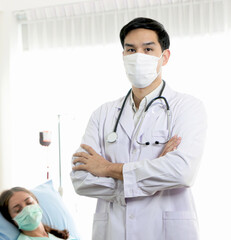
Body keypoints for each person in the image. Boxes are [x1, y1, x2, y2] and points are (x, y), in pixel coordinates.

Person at [70, 17, 207, 240]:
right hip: (114, 231)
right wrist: (155, 172)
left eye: (148, 49)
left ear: (165, 57)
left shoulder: (187, 107)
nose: (138, 56)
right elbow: (81, 179)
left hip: (165, 231)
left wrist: (106, 168)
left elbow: (182, 171)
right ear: (123, 56)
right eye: (131, 49)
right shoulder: (103, 114)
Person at [0, 187, 75, 240]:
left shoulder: (61, 235)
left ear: (37, 202)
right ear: (11, 219)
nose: (27, 210)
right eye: (18, 210)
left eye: (29, 203)